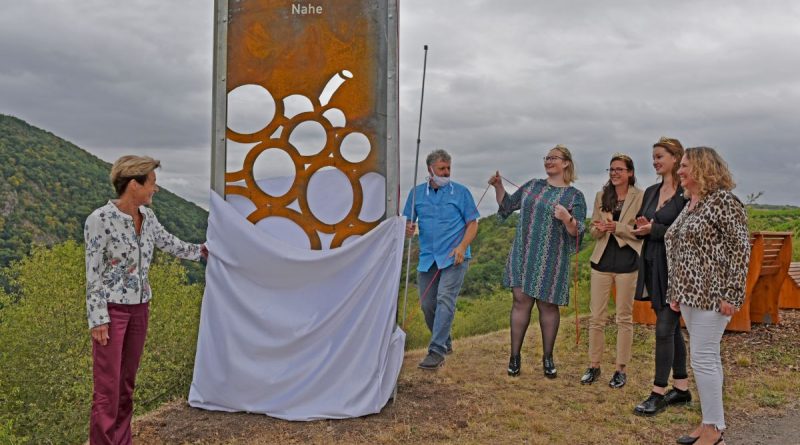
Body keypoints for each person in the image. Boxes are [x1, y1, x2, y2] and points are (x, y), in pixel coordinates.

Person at [85, 156, 207, 444]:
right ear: (133, 184)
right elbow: (93, 273)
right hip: (111, 313)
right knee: (107, 387)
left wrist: (203, 251)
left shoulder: (148, 218)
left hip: (140, 309)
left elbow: (169, 243)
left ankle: (122, 440)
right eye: (152, 182)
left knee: (126, 385)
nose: (156, 189)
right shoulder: (99, 220)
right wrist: (98, 318)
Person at [666, 147, 749, 445]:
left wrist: (732, 293)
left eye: (685, 165)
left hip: (713, 296)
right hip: (688, 294)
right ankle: (710, 423)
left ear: (701, 168)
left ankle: (714, 432)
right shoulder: (691, 203)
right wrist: (674, 290)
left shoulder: (724, 201)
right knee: (705, 358)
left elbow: (740, 249)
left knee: (703, 358)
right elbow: (677, 249)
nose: (680, 171)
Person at [489, 144, 587, 378]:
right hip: (523, 253)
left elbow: (578, 232)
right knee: (520, 301)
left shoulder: (575, 196)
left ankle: (548, 358)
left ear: (566, 163)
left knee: (547, 306)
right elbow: (506, 206)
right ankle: (514, 357)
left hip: (552, 257)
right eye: (547, 157)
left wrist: (567, 218)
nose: (548, 161)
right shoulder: (533, 185)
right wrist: (498, 186)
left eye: (554, 158)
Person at [403, 149, 479, 370]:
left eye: (448, 168)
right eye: (442, 169)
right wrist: (407, 228)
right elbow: (407, 222)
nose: (446, 173)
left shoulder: (461, 192)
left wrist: (462, 247)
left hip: (455, 257)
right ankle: (445, 341)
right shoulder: (416, 194)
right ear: (430, 170)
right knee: (428, 305)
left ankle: (436, 351)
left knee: (445, 298)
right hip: (428, 258)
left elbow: (473, 223)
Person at [632, 137, 691, 416]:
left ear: (675, 157)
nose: (655, 162)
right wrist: (643, 226)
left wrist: (652, 230)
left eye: (659, 156)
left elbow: (685, 233)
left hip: (676, 267)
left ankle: (657, 392)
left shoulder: (687, 193)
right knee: (669, 326)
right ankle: (681, 388)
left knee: (664, 329)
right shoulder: (652, 191)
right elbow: (647, 221)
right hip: (653, 263)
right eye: (653, 157)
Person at [581, 153, 643, 388]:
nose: (614, 173)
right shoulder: (600, 196)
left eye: (619, 169)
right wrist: (599, 228)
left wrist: (616, 226)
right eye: (611, 169)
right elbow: (594, 231)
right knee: (596, 317)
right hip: (602, 261)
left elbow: (640, 230)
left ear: (630, 173)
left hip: (628, 262)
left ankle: (620, 369)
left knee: (623, 318)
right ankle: (594, 365)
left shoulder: (641, 196)